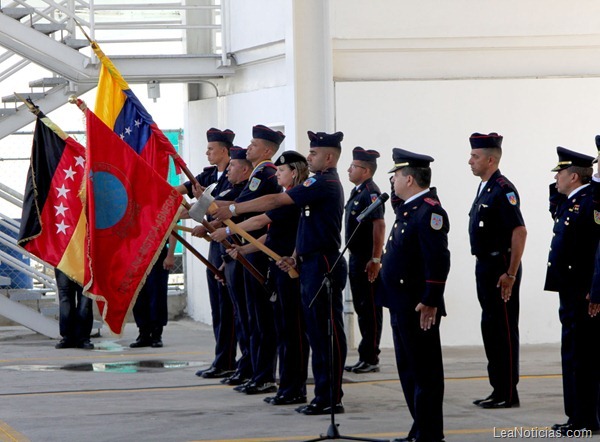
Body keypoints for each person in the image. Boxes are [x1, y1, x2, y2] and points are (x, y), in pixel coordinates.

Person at [213, 130, 348, 416]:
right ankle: (317, 393)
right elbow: (306, 230)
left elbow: (273, 204)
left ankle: (329, 397)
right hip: (308, 261)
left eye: (314, 153)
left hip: (323, 263)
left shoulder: (323, 182)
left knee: (323, 334)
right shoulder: (316, 184)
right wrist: (295, 257)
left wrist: (233, 209)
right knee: (307, 331)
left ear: (329, 157)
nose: (309, 156)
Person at [213, 150, 310, 405]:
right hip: (275, 266)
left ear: (295, 173)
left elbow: (258, 221)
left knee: (291, 332)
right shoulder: (286, 199)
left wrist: (226, 229)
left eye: (281, 171)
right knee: (280, 328)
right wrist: (244, 249)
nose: (276, 174)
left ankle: (293, 387)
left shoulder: (289, 201)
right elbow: (271, 235)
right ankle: (286, 386)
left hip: (289, 269)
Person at [377, 148, 450, 442]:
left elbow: (439, 259)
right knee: (408, 369)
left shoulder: (429, 211)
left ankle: (430, 433)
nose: (392, 181)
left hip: (418, 305)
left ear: (409, 179)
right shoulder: (409, 208)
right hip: (399, 302)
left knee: (425, 371)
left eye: (395, 175)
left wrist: (431, 299)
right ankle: (419, 426)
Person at [215, 125, 284, 395]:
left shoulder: (265, 174)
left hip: (257, 252)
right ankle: (252, 368)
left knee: (259, 318)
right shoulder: (258, 173)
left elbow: (245, 208)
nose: (249, 147)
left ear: (267, 150)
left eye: (254, 144)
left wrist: (220, 217)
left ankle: (263, 373)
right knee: (247, 316)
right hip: (245, 249)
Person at [467, 132, 526, 409]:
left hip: (501, 267)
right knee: (490, 329)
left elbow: (519, 231)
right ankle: (497, 389)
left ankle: (508, 394)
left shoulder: (503, 189)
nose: (470, 161)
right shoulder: (485, 187)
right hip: (486, 266)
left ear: (491, 159)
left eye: (475, 157)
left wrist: (511, 274)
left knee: (503, 330)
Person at [545, 146, 600, 436]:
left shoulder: (591, 203)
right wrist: (557, 189)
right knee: (574, 354)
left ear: (575, 176)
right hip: (570, 290)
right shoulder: (572, 201)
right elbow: (554, 205)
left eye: (560, 173)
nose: (556, 178)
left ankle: (584, 418)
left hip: (582, 292)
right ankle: (578, 416)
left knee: (581, 357)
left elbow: (596, 251)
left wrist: (596, 290)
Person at [178, 128, 237, 379]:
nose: (207, 152)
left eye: (211, 149)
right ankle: (221, 358)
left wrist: (200, 216)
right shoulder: (209, 175)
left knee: (229, 309)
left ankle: (230, 361)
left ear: (225, 151)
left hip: (230, 244)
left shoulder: (234, 176)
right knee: (217, 307)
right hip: (215, 244)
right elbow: (183, 190)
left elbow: (218, 209)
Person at [194, 147, 255, 387]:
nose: (229, 170)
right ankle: (225, 360)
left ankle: (236, 362)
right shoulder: (222, 185)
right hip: (222, 250)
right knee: (221, 310)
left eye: (233, 166)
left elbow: (222, 210)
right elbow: (206, 211)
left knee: (238, 314)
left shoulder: (243, 191)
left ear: (245, 170)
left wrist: (203, 208)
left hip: (237, 252)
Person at [344, 146, 385, 374]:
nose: (349, 170)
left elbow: (378, 226)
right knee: (362, 307)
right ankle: (365, 356)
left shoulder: (371, 193)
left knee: (370, 309)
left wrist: (376, 258)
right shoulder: (358, 191)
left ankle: (371, 357)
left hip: (367, 260)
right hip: (356, 258)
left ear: (366, 170)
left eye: (354, 166)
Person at [129, 235, 177, 348]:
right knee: (138, 296)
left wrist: (170, 255)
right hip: (136, 255)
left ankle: (156, 335)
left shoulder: (162, 215)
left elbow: (173, 229)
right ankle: (143, 334)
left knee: (157, 295)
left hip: (157, 253)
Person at [54, 268, 94, 349]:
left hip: (82, 260)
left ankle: (82, 338)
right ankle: (68, 337)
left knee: (85, 296)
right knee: (66, 297)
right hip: (63, 261)